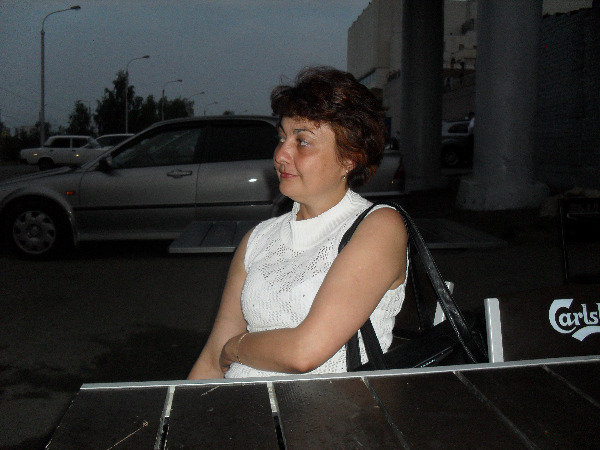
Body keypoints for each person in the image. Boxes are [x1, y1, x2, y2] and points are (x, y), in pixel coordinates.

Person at [188, 67, 408, 379]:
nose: (280, 154)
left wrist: (235, 348)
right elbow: (212, 360)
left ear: (350, 158)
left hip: (326, 407)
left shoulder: (378, 226)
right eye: (282, 137)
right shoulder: (258, 239)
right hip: (242, 402)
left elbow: (304, 352)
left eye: (302, 141)